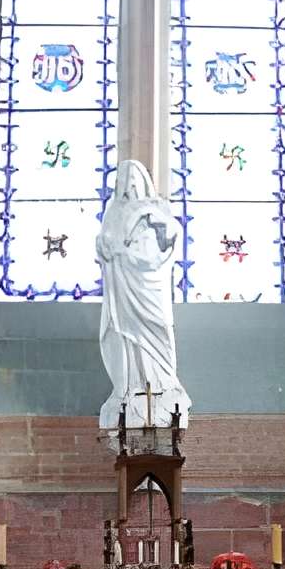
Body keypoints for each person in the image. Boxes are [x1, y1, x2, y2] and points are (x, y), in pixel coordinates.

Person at [96, 158, 191, 432]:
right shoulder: (112, 212)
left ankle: (163, 386)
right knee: (125, 337)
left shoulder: (157, 207)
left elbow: (172, 235)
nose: (128, 185)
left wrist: (151, 221)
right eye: (122, 181)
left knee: (158, 334)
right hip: (123, 286)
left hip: (150, 286)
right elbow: (105, 244)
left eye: (133, 179)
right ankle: (127, 389)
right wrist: (107, 247)